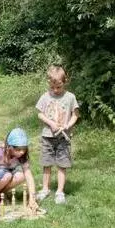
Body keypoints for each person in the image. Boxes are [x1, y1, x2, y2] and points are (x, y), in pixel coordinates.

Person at [35, 65, 80, 204]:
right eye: (52, 87)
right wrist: (51, 123)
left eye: (59, 87)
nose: (55, 90)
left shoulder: (70, 97)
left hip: (63, 138)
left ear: (64, 82)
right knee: (46, 163)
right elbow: (40, 114)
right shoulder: (45, 96)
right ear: (49, 84)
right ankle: (45, 189)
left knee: (62, 164)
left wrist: (68, 125)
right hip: (47, 136)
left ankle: (60, 191)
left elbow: (75, 115)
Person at [0, 128, 39, 211]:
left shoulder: (21, 156)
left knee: (21, 176)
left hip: (6, 175)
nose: (22, 152)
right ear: (9, 147)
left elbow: (28, 176)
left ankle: (0, 193)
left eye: (24, 149)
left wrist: (32, 198)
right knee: (8, 175)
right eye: (18, 149)